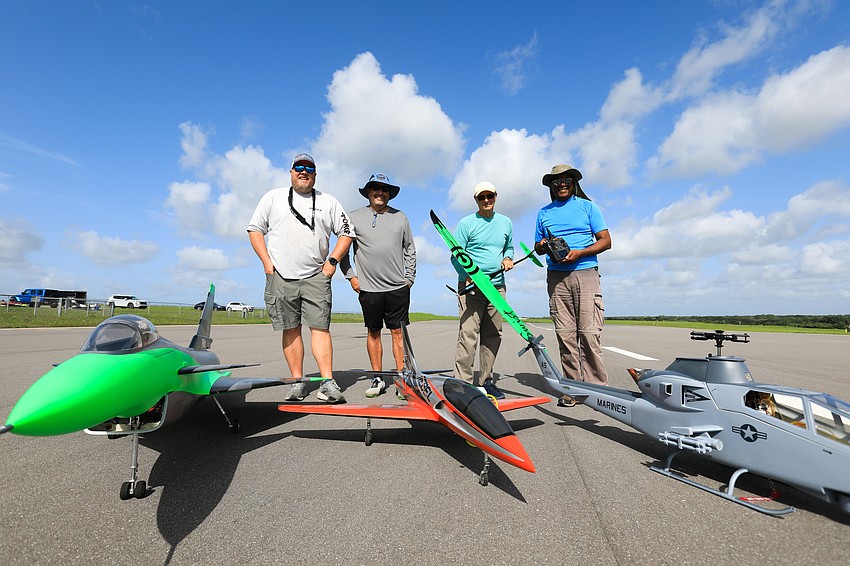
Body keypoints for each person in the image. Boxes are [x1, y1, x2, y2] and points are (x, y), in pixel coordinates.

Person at [247, 153, 355, 404]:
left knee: (320, 328)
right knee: (290, 328)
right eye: (299, 168)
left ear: (315, 174)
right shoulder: (272, 197)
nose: (303, 172)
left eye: (309, 168)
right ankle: (298, 382)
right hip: (281, 276)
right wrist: (267, 263)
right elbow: (255, 229)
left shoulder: (328, 201)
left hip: (316, 276)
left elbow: (348, 232)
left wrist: (331, 264)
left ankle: (327, 383)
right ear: (291, 171)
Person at [534, 164, 612, 407]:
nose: (562, 184)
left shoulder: (588, 207)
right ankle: (573, 387)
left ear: (573, 181)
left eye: (566, 180)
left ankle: (598, 388)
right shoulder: (544, 213)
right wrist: (543, 245)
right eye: (556, 182)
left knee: (588, 333)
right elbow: (537, 246)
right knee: (565, 334)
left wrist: (580, 253)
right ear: (551, 186)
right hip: (557, 277)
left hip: (585, 272)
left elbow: (606, 241)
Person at [340, 173, 416, 398]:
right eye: (375, 188)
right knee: (373, 332)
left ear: (389, 194)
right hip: (368, 289)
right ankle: (377, 377)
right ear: (369, 192)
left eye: (384, 189)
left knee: (398, 333)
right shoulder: (354, 217)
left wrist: (408, 279)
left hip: (397, 288)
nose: (380, 192)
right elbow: (343, 250)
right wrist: (351, 277)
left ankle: (402, 379)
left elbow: (410, 248)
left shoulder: (400, 217)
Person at [452, 181, 514, 400]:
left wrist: (508, 257)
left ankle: (486, 381)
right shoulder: (466, 223)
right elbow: (455, 254)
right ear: (476, 200)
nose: (486, 200)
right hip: (471, 286)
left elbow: (509, 246)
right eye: (482, 197)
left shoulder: (506, 222)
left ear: (496, 196)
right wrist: (465, 274)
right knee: (468, 334)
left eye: (490, 196)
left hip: (496, 286)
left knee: (493, 334)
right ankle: (463, 384)